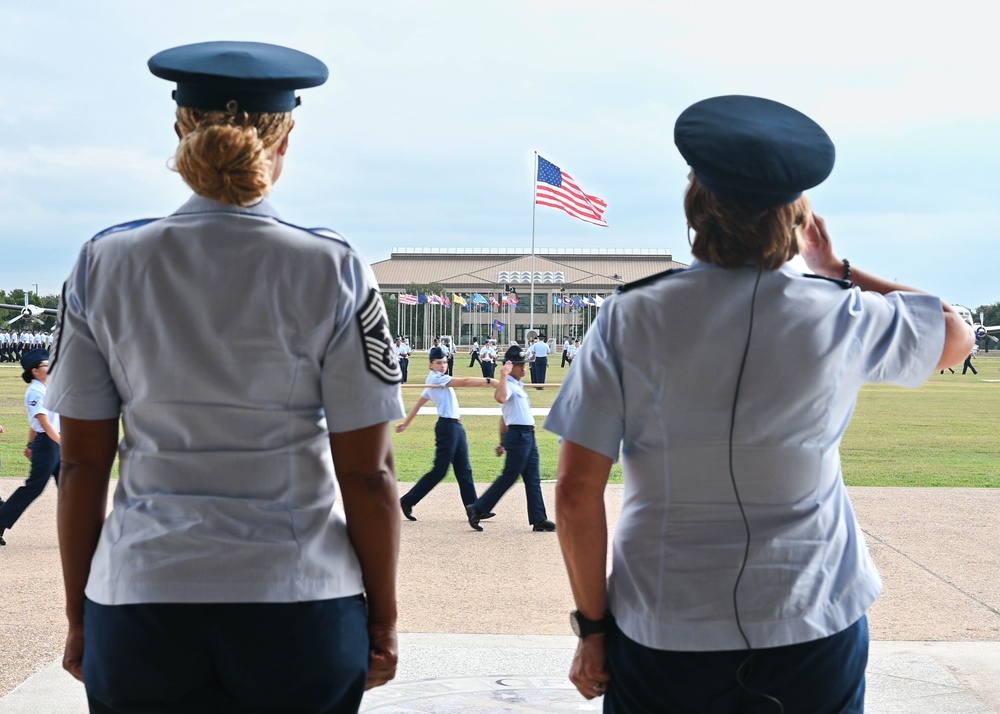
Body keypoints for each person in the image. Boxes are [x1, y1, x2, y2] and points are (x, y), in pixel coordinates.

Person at [544, 95, 973, 713]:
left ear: (696, 207)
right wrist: (840, 269)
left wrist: (592, 630)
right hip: (811, 615)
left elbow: (575, 491)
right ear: (797, 217)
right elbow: (956, 334)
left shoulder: (629, 316)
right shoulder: (842, 311)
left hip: (666, 621)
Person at [46, 41, 404, 713]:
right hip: (296, 595)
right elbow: (366, 473)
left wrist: (81, 613)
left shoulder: (103, 262)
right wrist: (382, 619)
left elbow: (83, 465)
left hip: (143, 591)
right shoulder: (332, 265)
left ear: (181, 128)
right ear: (286, 136)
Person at [396, 346, 498, 520]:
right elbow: (465, 382)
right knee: (439, 471)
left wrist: (406, 422)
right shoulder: (436, 378)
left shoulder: (436, 379)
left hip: (456, 426)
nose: (442, 365)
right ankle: (407, 500)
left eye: (444, 362)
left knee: (464, 470)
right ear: (431, 365)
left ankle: (475, 508)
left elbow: (419, 402)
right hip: (447, 427)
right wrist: (490, 381)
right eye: (438, 363)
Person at [465, 345, 556, 533]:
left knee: (533, 478)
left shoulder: (519, 386)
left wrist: (502, 441)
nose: (524, 368)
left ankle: (539, 518)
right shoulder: (507, 386)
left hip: (527, 435)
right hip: (519, 436)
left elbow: (504, 417)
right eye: (520, 365)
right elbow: (500, 398)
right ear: (510, 366)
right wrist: (503, 375)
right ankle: (477, 508)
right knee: (510, 476)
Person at [0, 348, 61, 547]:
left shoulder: (47, 388)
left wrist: (29, 444)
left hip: (53, 443)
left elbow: (38, 423)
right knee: (34, 487)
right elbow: (43, 423)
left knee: (70, 488)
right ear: (35, 371)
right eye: (46, 364)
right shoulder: (35, 391)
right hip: (49, 445)